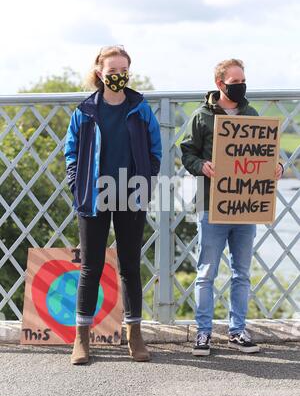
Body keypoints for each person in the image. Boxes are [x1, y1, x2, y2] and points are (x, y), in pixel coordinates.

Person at [64, 45, 162, 364]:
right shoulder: (85, 111)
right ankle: (82, 339)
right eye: (112, 71)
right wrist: (76, 184)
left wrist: (145, 181)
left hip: (130, 194)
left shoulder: (140, 107)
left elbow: (155, 149)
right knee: (90, 268)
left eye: (123, 71)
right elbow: (71, 153)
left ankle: (135, 335)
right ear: (99, 72)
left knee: (130, 266)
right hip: (94, 196)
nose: (118, 76)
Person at [181, 59, 284, 356]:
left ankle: (237, 330)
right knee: (206, 272)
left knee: (241, 272)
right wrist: (203, 166)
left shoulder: (251, 114)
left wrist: (275, 166)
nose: (240, 85)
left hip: (245, 206)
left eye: (243, 79)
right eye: (235, 80)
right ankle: (203, 332)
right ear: (220, 83)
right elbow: (187, 154)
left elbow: (266, 152)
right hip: (211, 205)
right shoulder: (201, 117)